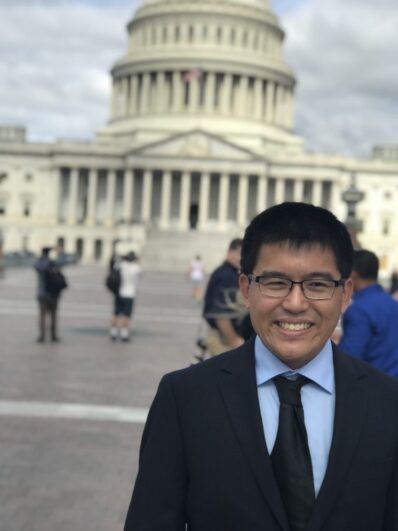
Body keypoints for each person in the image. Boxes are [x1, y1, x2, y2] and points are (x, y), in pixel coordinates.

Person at [124, 202, 398, 531]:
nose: (295, 304)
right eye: (275, 282)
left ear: (345, 294)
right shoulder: (184, 398)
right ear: (246, 289)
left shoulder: (388, 402)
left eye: (317, 285)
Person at [339, 249, 398, 377]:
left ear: (353, 274)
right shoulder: (392, 303)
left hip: (374, 387)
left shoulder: (359, 310)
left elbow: (348, 360)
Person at [202, 238, 245, 356]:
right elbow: (221, 314)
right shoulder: (226, 275)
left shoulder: (228, 272)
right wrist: (234, 341)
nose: (242, 258)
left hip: (224, 336)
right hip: (224, 339)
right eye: (239, 254)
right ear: (229, 252)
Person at [34, 246, 67, 342]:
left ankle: (42, 336)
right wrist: (61, 252)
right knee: (53, 315)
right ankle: (53, 335)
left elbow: (37, 267)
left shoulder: (40, 263)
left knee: (42, 315)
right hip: (53, 293)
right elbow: (64, 261)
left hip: (42, 293)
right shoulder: (53, 263)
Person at [109, 251, 141, 342]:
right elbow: (140, 274)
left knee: (116, 313)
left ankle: (113, 332)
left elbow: (112, 267)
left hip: (119, 292)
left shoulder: (121, 265)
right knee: (127, 315)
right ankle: (124, 333)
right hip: (130, 293)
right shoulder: (136, 268)